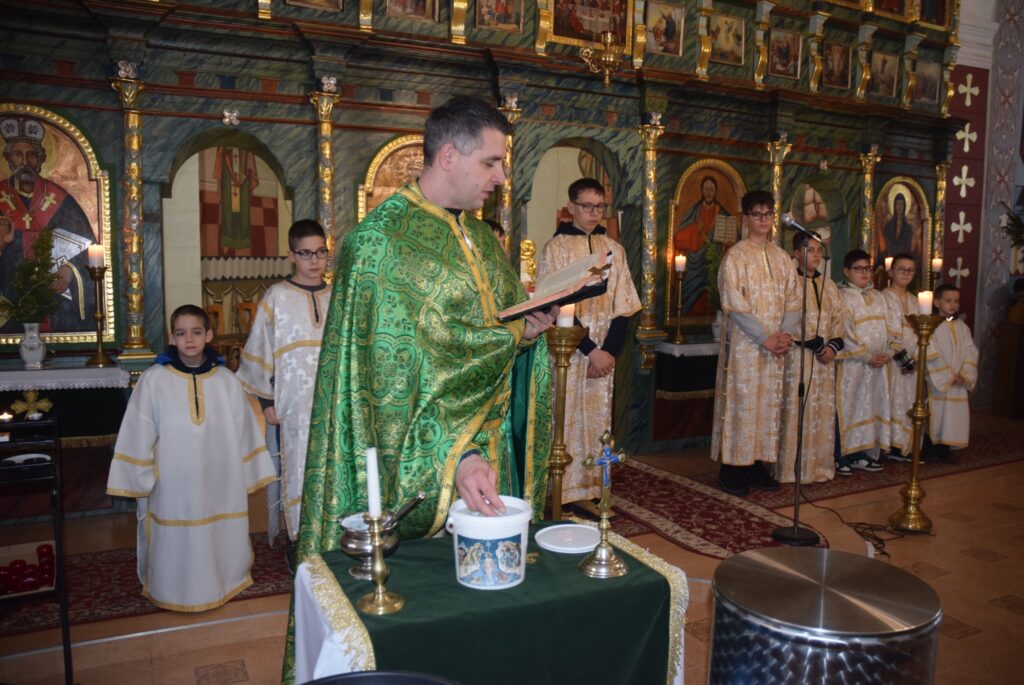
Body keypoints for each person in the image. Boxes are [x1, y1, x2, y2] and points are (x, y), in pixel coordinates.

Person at [296, 95, 557, 555]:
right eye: (491, 162)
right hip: (429, 464)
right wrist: (462, 455)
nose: (501, 177)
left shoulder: (481, 237)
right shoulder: (379, 243)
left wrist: (528, 330)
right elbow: (392, 384)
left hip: (492, 451)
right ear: (449, 155)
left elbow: (491, 333)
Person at [106, 305, 275, 612]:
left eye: (196, 332)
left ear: (208, 335)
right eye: (181, 333)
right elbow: (139, 427)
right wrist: (138, 475)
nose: (189, 339)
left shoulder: (226, 380)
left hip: (219, 476)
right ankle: (172, 588)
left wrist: (249, 470)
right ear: (172, 338)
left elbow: (244, 429)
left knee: (218, 529)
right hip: (173, 479)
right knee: (175, 533)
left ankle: (224, 581)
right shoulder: (154, 380)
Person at [536, 178, 641, 509]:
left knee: (598, 421)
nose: (594, 213)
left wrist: (608, 352)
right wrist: (591, 350)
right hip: (569, 351)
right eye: (587, 206)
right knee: (564, 417)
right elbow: (554, 303)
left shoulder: (615, 250)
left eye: (600, 207)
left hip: (603, 355)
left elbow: (625, 306)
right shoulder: (556, 249)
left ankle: (592, 488)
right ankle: (562, 492)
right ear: (571, 207)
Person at [236, 219, 331, 552]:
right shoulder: (277, 296)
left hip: (332, 403)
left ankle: (331, 537)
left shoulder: (337, 296)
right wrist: (266, 403)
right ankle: (298, 541)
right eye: (306, 253)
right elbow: (259, 350)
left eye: (321, 252)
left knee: (331, 468)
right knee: (297, 469)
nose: (315, 260)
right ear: (291, 255)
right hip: (292, 405)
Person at [710, 190, 799, 496]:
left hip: (776, 346)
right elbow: (734, 304)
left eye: (768, 214)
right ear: (745, 218)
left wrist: (785, 334)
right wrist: (764, 337)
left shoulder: (782, 257)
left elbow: (793, 298)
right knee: (743, 403)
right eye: (757, 214)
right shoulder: (736, 256)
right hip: (746, 347)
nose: (763, 220)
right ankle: (733, 469)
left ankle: (759, 464)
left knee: (768, 405)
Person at [0, 116, 96, 333]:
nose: (25, 161)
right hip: (8, 298)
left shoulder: (60, 199)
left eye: (32, 154)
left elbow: (91, 248)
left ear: (42, 159)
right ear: (8, 159)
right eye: (18, 154)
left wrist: (70, 269)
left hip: (56, 305)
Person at [777, 233, 849, 484]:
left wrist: (832, 346)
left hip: (824, 362)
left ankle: (817, 466)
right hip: (797, 359)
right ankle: (789, 469)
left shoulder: (828, 285)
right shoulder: (789, 283)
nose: (816, 255)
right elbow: (782, 318)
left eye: (819, 250)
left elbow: (840, 319)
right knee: (796, 412)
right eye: (810, 250)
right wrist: (807, 340)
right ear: (797, 253)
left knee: (820, 412)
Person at [834, 250, 899, 475]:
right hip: (852, 366)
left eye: (867, 268)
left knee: (870, 408)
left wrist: (889, 353)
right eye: (858, 269)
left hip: (878, 367)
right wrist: (866, 356)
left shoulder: (880, 297)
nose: (864, 273)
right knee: (848, 408)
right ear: (846, 271)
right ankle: (841, 455)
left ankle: (862, 454)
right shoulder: (841, 297)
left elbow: (893, 329)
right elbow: (843, 331)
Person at [923, 284, 979, 464]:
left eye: (956, 301)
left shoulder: (962, 327)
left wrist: (965, 374)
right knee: (936, 414)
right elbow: (931, 352)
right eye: (948, 301)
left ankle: (945, 448)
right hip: (939, 380)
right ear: (937, 302)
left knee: (952, 416)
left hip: (958, 380)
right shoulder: (932, 326)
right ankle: (930, 449)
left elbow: (971, 352)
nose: (953, 305)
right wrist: (947, 375)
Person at [673, 176, 731, 315]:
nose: (709, 192)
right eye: (706, 189)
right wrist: (695, 228)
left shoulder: (722, 212)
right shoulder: (695, 210)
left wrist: (728, 242)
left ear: (716, 191)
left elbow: (733, 236)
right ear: (702, 191)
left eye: (712, 189)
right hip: (695, 263)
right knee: (690, 294)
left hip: (713, 262)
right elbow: (678, 238)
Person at [881, 253, 919, 461]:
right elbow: (884, 330)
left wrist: (916, 358)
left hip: (913, 363)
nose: (906, 273)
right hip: (893, 362)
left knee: (909, 402)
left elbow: (922, 332)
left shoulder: (916, 301)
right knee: (893, 401)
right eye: (901, 269)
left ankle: (907, 445)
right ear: (891, 271)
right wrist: (904, 359)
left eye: (910, 270)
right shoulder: (883, 298)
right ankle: (892, 446)